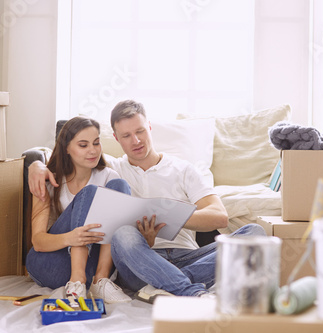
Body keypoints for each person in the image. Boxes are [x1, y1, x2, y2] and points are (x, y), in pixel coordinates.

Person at [29, 101, 266, 301]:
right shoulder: (110, 168)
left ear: (149, 127)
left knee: (254, 232)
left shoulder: (183, 169)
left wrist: (171, 216)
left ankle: (168, 283)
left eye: (140, 131)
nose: (135, 141)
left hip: (187, 255)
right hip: (137, 259)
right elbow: (68, 157)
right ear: (116, 139)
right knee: (123, 234)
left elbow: (219, 216)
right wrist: (36, 166)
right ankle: (189, 291)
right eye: (126, 136)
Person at [25, 116, 133, 303]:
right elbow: (39, 242)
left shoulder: (109, 177)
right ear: (66, 148)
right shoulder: (49, 182)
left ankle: (101, 280)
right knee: (90, 192)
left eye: (96, 143)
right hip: (51, 263)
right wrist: (71, 238)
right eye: (83, 145)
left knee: (120, 186)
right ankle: (77, 281)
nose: (93, 151)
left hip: (95, 264)